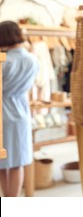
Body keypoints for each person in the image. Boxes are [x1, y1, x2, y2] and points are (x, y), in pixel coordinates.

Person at [0, 21, 39, 197]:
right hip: (21, 112)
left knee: (2, 162)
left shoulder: (4, 61)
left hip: (3, 112)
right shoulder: (32, 58)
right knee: (18, 161)